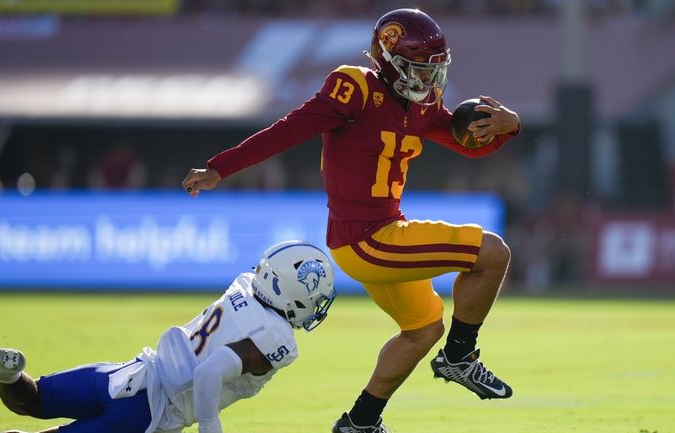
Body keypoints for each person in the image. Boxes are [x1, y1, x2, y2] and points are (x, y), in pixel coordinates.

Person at [181, 8, 520, 433]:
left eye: (433, 71)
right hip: (368, 237)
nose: (428, 82)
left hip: (378, 236)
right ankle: (460, 355)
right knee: (492, 252)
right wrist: (220, 168)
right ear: (389, 60)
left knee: (422, 328)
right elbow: (289, 129)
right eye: (417, 69)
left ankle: (359, 422)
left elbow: (467, 144)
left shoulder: (423, 104)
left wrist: (509, 127)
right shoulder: (355, 87)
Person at [0, 240, 337, 433]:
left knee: (32, 400)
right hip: (148, 413)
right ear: (295, 294)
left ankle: (9, 375)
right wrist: (210, 425)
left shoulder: (246, 283)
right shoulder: (277, 337)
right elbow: (212, 371)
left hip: (129, 372)